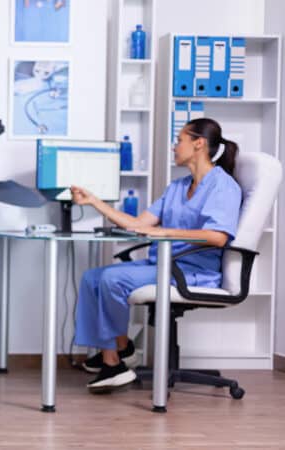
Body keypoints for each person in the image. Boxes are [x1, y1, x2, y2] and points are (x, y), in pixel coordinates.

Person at [71, 117, 242, 393]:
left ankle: (113, 362)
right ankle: (121, 350)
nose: (175, 147)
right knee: (92, 277)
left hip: (191, 272)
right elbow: (139, 224)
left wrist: (166, 232)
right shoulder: (177, 187)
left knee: (112, 280)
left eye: (179, 140)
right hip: (163, 264)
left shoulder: (223, 186)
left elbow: (218, 236)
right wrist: (94, 201)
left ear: (198, 144)